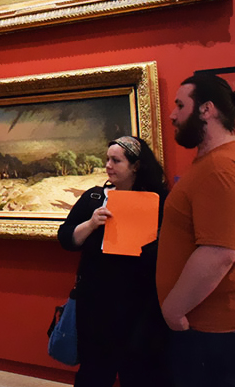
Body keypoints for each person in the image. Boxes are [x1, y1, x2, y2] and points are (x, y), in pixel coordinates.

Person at [157, 73, 235, 387]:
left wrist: (173, 310)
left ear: (206, 109)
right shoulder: (220, 159)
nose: (172, 114)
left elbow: (219, 253)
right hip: (222, 321)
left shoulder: (221, 167)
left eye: (180, 105)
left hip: (224, 323)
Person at [57, 136, 170, 387]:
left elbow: (172, 249)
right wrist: (91, 224)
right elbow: (65, 238)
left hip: (142, 305)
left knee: (141, 373)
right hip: (96, 304)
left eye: (116, 160)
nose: (108, 165)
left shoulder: (159, 200)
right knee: (94, 372)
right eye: (107, 159)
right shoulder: (94, 198)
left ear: (136, 166)